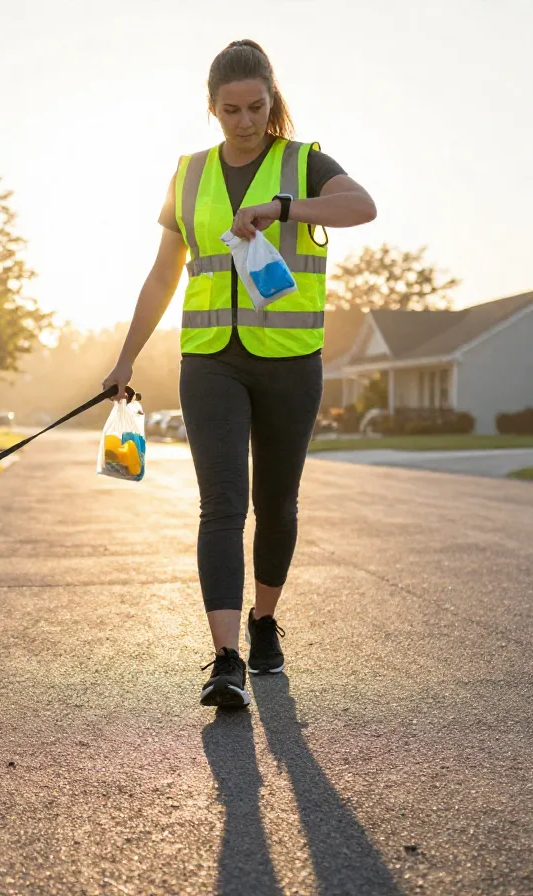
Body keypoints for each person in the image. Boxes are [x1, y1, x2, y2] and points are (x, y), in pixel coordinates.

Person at [101, 39, 376, 709]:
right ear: (211, 108)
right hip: (210, 359)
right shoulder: (188, 174)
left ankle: (263, 620)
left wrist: (284, 208)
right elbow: (163, 273)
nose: (245, 121)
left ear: (272, 101)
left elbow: (362, 206)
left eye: (256, 107)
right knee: (222, 503)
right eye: (231, 110)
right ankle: (226, 659)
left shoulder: (304, 163)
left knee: (276, 504)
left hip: (290, 361)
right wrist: (126, 356)